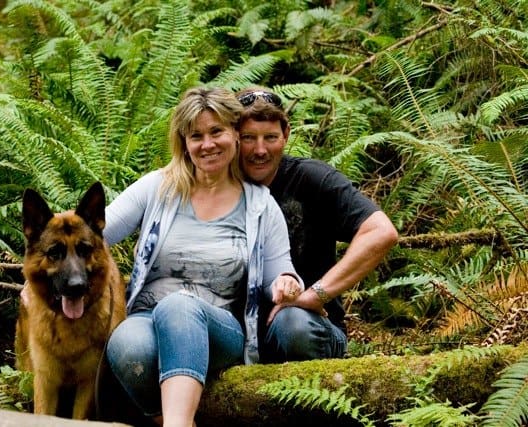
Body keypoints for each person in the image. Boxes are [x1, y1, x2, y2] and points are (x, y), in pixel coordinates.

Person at [102, 86, 304, 427]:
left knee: (178, 305)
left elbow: (280, 271)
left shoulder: (259, 204)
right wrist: (40, 283)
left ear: (234, 135)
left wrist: (287, 283)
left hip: (218, 327)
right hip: (146, 318)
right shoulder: (158, 188)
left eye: (216, 132)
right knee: (128, 343)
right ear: (185, 142)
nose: (207, 144)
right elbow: (92, 232)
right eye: (196, 136)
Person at [235, 87, 399, 363]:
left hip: (305, 329)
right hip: (241, 336)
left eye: (270, 138)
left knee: (292, 324)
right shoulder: (219, 188)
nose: (260, 150)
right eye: (249, 138)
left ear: (286, 135)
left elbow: (381, 232)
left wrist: (316, 294)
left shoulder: (312, 179)